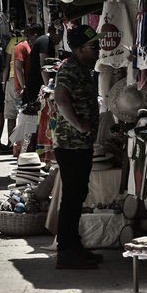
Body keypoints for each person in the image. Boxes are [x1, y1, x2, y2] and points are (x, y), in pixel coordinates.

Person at [52, 24, 101, 270]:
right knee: (72, 198)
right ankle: (66, 251)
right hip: (72, 145)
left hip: (79, 145)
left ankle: (74, 244)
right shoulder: (70, 69)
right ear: (80, 49)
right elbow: (60, 99)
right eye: (94, 47)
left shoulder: (81, 68)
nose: (98, 50)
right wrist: (80, 125)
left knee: (77, 195)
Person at [22, 23, 61, 103]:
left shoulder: (45, 40)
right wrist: (47, 87)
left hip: (37, 83)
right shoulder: (45, 40)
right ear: (57, 32)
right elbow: (44, 64)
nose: (61, 38)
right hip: (37, 84)